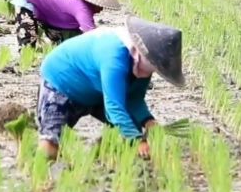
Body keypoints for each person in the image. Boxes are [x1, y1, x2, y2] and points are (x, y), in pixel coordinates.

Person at [37, 16, 185, 160]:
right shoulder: (114, 57)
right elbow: (114, 106)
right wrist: (137, 141)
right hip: (62, 83)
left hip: (96, 89)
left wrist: (149, 122)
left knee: (132, 126)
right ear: (141, 54)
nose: (154, 73)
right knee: (50, 148)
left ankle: (106, 155)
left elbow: (134, 100)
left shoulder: (143, 66)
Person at [12, 0, 121, 48]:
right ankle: (26, 63)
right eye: (100, 5)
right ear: (93, 1)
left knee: (70, 38)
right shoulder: (81, 8)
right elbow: (91, 35)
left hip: (47, 8)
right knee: (28, 41)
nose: (102, 9)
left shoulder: (81, 4)